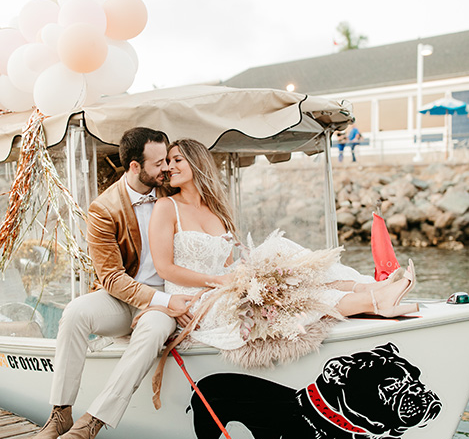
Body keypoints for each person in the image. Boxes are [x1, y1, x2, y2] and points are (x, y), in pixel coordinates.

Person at [148, 139, 418, 355]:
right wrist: (217, 280)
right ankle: (372, 300)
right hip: (194, 299)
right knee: (281, 300)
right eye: (167, 162)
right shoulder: (166, 207)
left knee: (283, 256)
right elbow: (165, 268)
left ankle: (371, 287)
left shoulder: (216, 212)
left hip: (225, 283)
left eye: (177, 160)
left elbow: (233, 258)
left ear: (197, 164)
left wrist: (260, 269)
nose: (168, 167)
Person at [26, 127, 193, 439]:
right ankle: (60, 413)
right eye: (158, 162)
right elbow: (112, 278)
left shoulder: (172, 194)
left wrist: (172, 299)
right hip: (124, 296)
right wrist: (164, 301)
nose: (166, 168)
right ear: (134, 166)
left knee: (153, 332)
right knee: (74, 312)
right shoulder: (103, 209)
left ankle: (91, 424)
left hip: (166, 295)